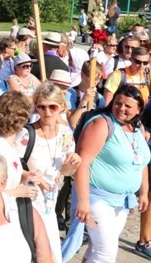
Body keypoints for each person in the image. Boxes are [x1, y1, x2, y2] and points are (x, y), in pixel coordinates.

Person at [62, 85, 150, 263]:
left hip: (121, 203)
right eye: (118, 103)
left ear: (139, 109)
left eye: (127, 106)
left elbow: (141, 163)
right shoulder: (101, 124)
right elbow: (82, 162)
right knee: (106, 254)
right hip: (97, 200)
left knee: (95, 250)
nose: (121, 108)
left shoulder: (136, 128)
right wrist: (84, 202)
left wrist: (143, 192)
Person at [25, 83, 81, 263]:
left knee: (52, 254)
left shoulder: (65, 134)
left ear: (61, 107)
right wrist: (32, 176)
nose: (47, 112)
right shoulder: (26, 134)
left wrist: (72, 163)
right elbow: (13, 167)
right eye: (41, 106)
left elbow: (65, 171)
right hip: (27, 202)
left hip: (49, 203)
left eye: (52, 107)